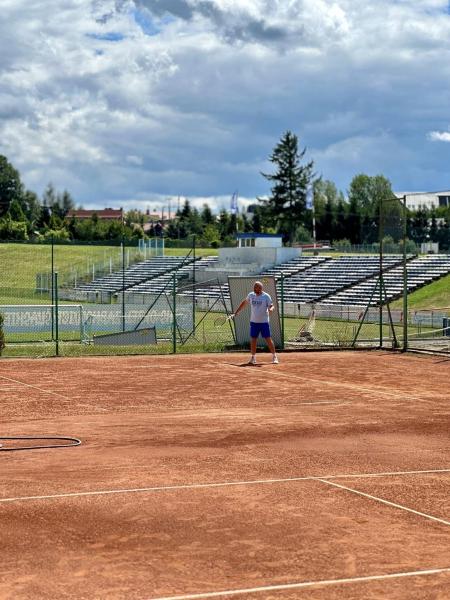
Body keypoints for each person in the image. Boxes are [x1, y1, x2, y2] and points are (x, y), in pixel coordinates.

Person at [232, 280, 279, 364]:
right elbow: (244, 303)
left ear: (260, 288)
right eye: (254, 287)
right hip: (254, 322)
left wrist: (271, 309)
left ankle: (274, 356)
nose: (254, 289)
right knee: (253, 339)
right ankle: (253, 358)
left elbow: (272, 305)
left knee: (268, 339)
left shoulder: (266, 296)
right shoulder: (251, 295)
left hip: (264, 322)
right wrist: (237, 311)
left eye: (256, 287)